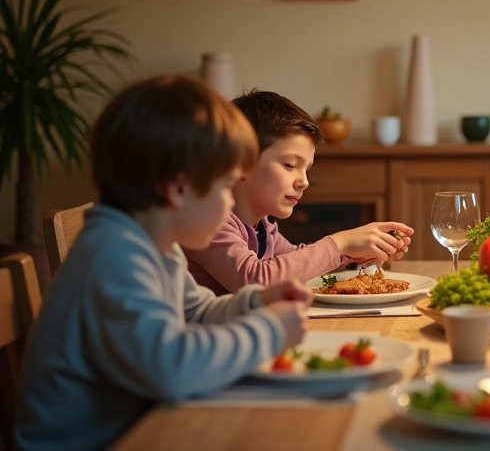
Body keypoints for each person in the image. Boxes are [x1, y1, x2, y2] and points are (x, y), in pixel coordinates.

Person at [15, 76, 312, 451]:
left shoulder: (156, 243)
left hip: (138, 429)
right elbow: (170, 369)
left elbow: (194, 311)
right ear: (178, 188)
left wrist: (256, 302)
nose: (229, 203)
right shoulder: (115, 255)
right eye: (224, 187)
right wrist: (268, 331)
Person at [184, 89, 413, 294]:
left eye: (307, 169)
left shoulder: (263, 227)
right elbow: (255, 279)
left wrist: (355, 257)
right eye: (290, 165)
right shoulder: (209, 221)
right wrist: (339, 243)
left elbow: (301, 269)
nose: (303, 182)